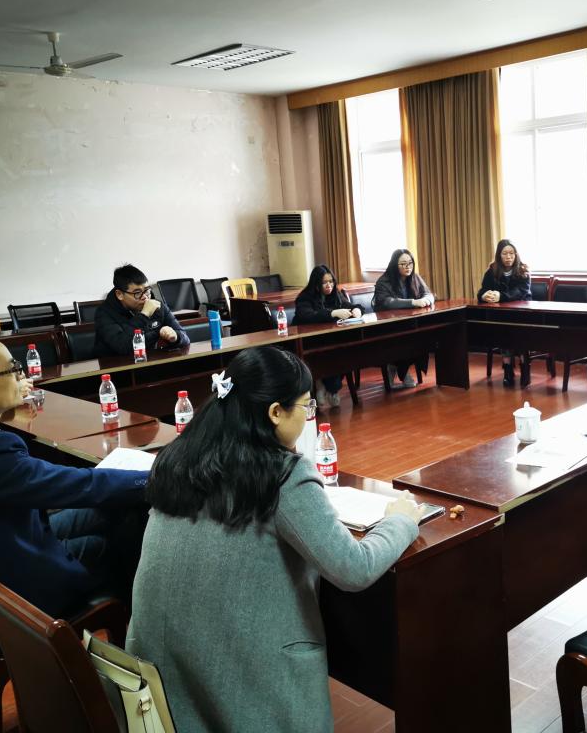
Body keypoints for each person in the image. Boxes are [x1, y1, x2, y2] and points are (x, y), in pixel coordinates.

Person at [126, 346, 422, 732]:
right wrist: (400, 521)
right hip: (235, 675)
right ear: (275, 413)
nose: (310, 414)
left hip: (161, 676)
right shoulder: (280, 473)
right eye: (306, 406)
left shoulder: (179, 456)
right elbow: (354, 568)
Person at [0, 329, 149, 616]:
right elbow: (79, 486)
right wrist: (154, 477)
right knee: (114, 533)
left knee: (109, 508)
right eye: (13, 369)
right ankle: (124, 622)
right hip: (19, 585)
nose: (21, 376)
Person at [294, 265, 363, 409]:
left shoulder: (335, 294)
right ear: (316, 284)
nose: (329, 285)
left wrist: (357, 309)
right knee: (332, 351)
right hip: (309, 341)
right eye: (324, 282)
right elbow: (307, 316)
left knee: (346, 349)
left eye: (331, 281)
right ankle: (329, 387)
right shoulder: (304, 298)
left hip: (331, 337)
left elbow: (350, 305)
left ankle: (327, 386)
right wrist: (332, 313)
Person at [94, 264, 190, 358]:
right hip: (116, 365)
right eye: (137, 293)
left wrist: (176, 337)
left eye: (147, 290)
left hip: (150, 361)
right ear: (120, 294)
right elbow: (123, 346)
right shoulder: (104, 313)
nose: (145, 297)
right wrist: (144, 315)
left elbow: (185, 338)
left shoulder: (157, 305)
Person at [372, 248, 435, 388]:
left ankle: (400, 368)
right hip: (388, 326)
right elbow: (387, 302)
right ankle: (399, 368)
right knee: (405, 338)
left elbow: (428, 293)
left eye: (410, 263)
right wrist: (413, 302)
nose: (408, 267)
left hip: (410, 322)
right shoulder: (384, 281)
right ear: (395, 265)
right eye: (403, 264)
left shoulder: (414, 277)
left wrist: (427, 299)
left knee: (424, 335)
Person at [478, 239, 532, 387]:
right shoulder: (492, 271)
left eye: (511, 253)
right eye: (505, 254)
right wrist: (484, 295)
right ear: (499, 255)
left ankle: (525, 369)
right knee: (503, 330)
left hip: (523, 314)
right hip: (503, 315)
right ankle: (508, 369)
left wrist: (501, 296)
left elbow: (520, 292)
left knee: (521, 333)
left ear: (516, 254)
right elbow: (482, 290)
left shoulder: (523, 271)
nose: (509, 257)